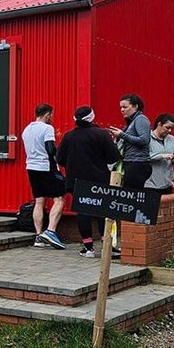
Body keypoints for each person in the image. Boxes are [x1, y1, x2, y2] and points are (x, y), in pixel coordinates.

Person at [56, 106, 122, 258]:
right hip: (99, 180)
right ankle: (108, 246)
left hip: (76, 181)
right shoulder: (101, 135)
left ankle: (88, 247)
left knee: (83, 212)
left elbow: (59, 158)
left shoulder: (69, 136)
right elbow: (114, 157)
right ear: (92, 117)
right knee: (103, 212)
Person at [107, 93, 152, 254]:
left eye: (125, 107)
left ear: (136, 106)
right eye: (120, 107)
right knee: (128, 200)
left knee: (132, 201)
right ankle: (129, 239)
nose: (122, 110)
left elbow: (144, 140)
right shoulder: (132, 122)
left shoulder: (141, 120)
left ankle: (133, 241)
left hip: (138, 164)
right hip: (130, 163)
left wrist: (122, 135)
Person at [21, 103, 66, 250]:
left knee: (39, 201)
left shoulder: (26, 130)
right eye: (52, 115)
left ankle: (38, 236)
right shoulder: (47, 128)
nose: (52, 118)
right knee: (59, 199)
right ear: (47, 115)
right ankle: (51, 231)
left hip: (31, 167)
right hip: (46, 167)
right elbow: (50, 149)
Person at [147, 113, 174, 194]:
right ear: (159, 124)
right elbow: (144, 156)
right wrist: (162, 156)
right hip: (150, 186)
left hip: (167, 184)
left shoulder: (172, 139)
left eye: (172, 128)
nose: (170, 131)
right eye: (167, 127)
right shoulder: (147, 138)